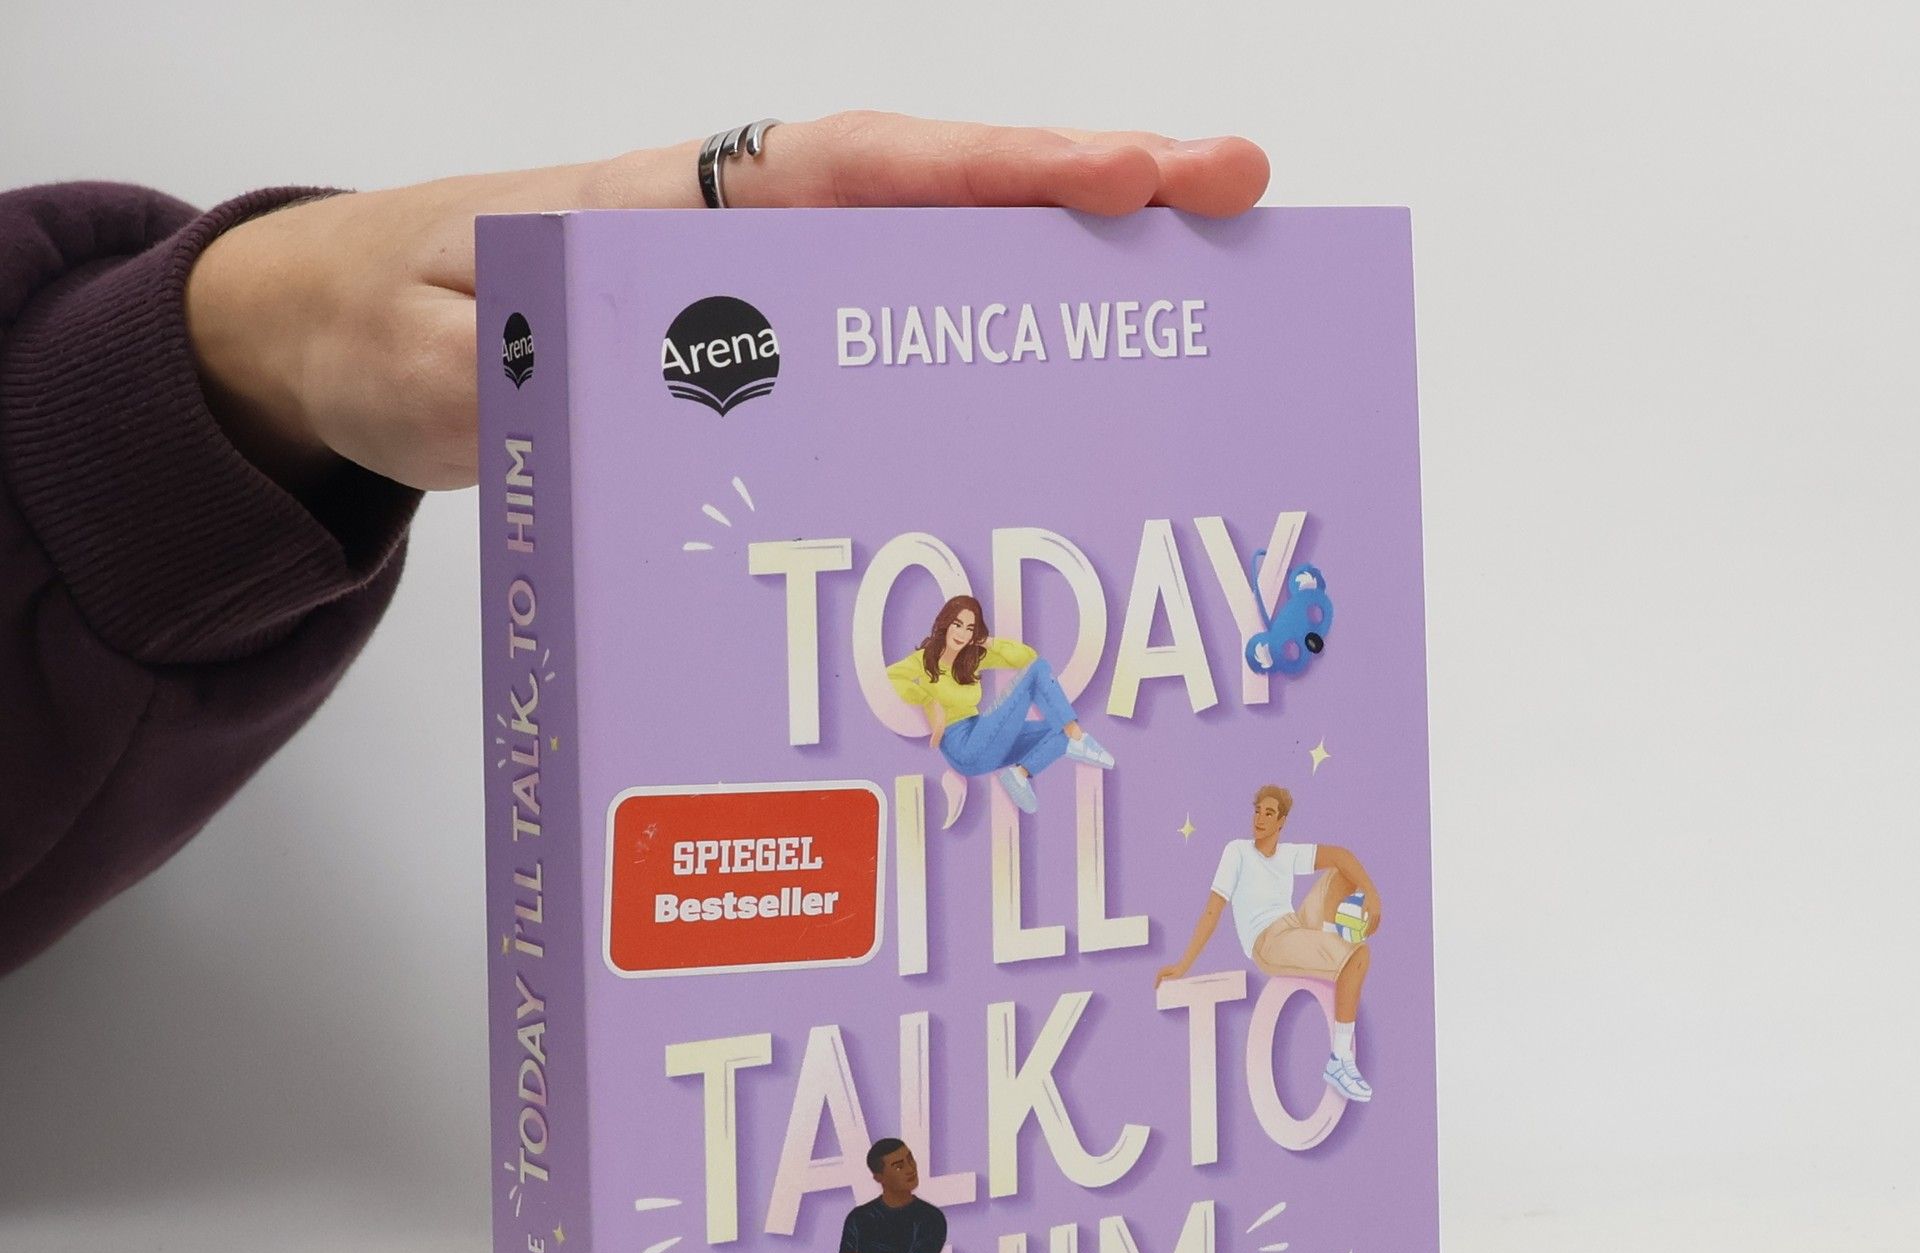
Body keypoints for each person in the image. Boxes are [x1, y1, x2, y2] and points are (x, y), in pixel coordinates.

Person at [0, 115, 1269, 976]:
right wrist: (247, 350)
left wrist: (234, 354)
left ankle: (1058, 762)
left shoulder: (996, 651)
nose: (968, 623)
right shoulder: (924, 670)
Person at [1156, 784, 1384, 1101]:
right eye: (1257, 811)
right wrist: (1183, 965)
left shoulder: (1287, 854)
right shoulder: (1237, 851)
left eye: (1269, 813)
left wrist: (1371, 893)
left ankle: (1329, 947)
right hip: (1269, 941)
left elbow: (1341, 855)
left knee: (1342, 871)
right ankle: (1339, 1060)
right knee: (1359, 956)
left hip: (1294, 925)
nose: (1260, 819)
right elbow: (1212, 912)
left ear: (1281, 822)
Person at [886, 594, 1115, 813]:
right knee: (1041, 672)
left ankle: (1020, 774)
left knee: (1059, 729)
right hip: (961, 746)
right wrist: (928, 701)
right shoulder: (925, 659)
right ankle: (1079, 737)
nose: (962, 634)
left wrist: (987, 642)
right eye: (957, 624)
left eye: (970, 628)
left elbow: (1028, 657)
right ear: (945, 624)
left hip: (982, 740)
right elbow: (891, 677)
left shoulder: (971, 658)